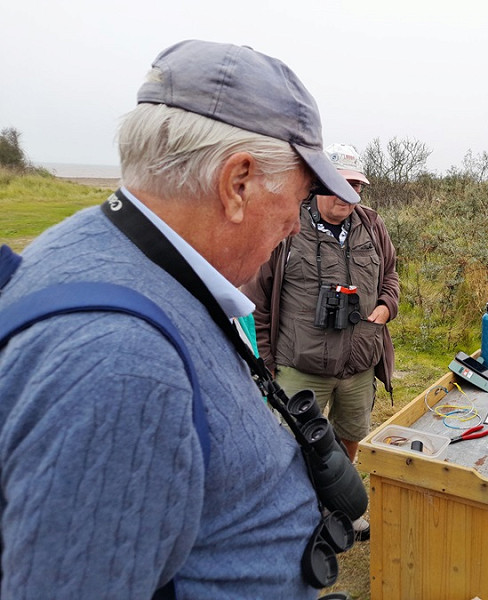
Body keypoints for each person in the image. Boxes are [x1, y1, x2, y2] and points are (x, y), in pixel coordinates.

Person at [0, 40, 363, 598]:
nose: (296, 222)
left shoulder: (113, 251)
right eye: (301, 193)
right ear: (237, 183)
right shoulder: (119, 365)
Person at [242, 143, 399, 542]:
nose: (349, 195)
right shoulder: (288, 226)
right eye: (340, 185)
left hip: (359, 364)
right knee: (291, 446)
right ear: (317, 184)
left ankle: (339, 505)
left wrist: (385, 306)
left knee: (349, 436)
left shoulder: (372, 225)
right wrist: (265, 362)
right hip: (300, 365)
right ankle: (296, 517)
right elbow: (257, 298)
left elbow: (392, 277)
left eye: (356, 186)